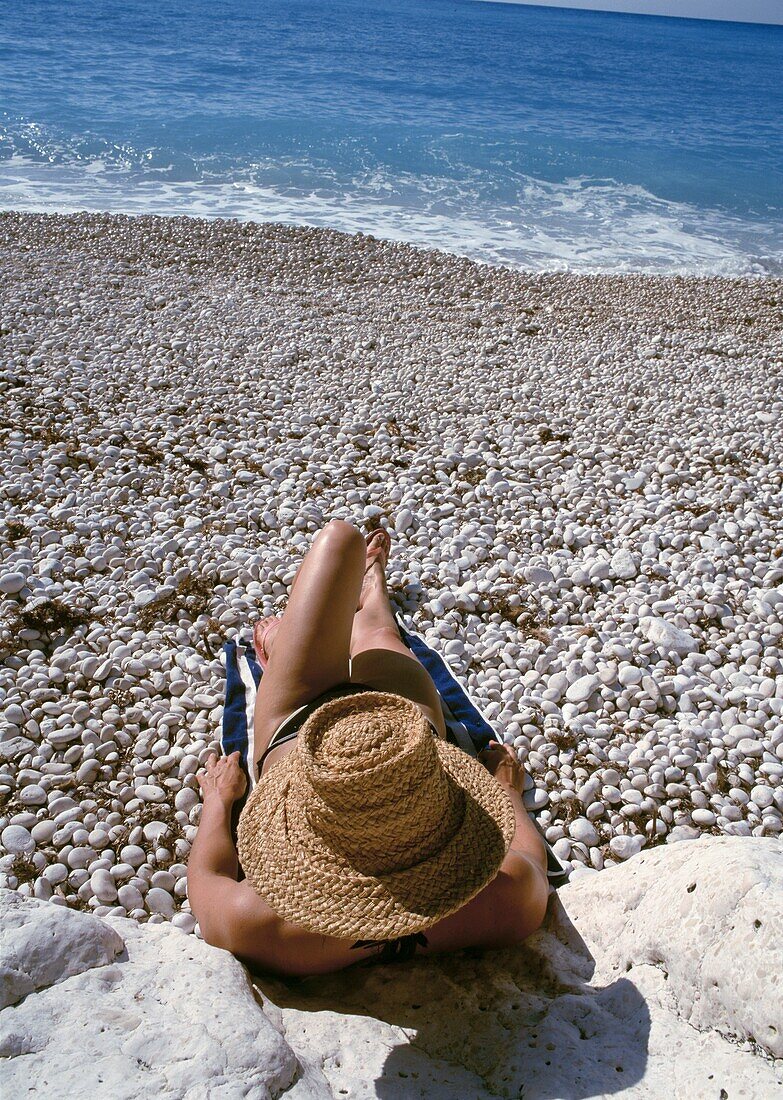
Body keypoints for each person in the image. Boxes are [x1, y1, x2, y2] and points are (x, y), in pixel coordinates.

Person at [188, 520, 549, 977]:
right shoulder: (507, 904)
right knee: (380, 637)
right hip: (401, 731)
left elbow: (204, 882)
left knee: (340, 541)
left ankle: (298, 637)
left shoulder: (265, 925)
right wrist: (508, 794)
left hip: (301, 719)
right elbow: (530, 855)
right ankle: (370, 587)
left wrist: (218, 801)